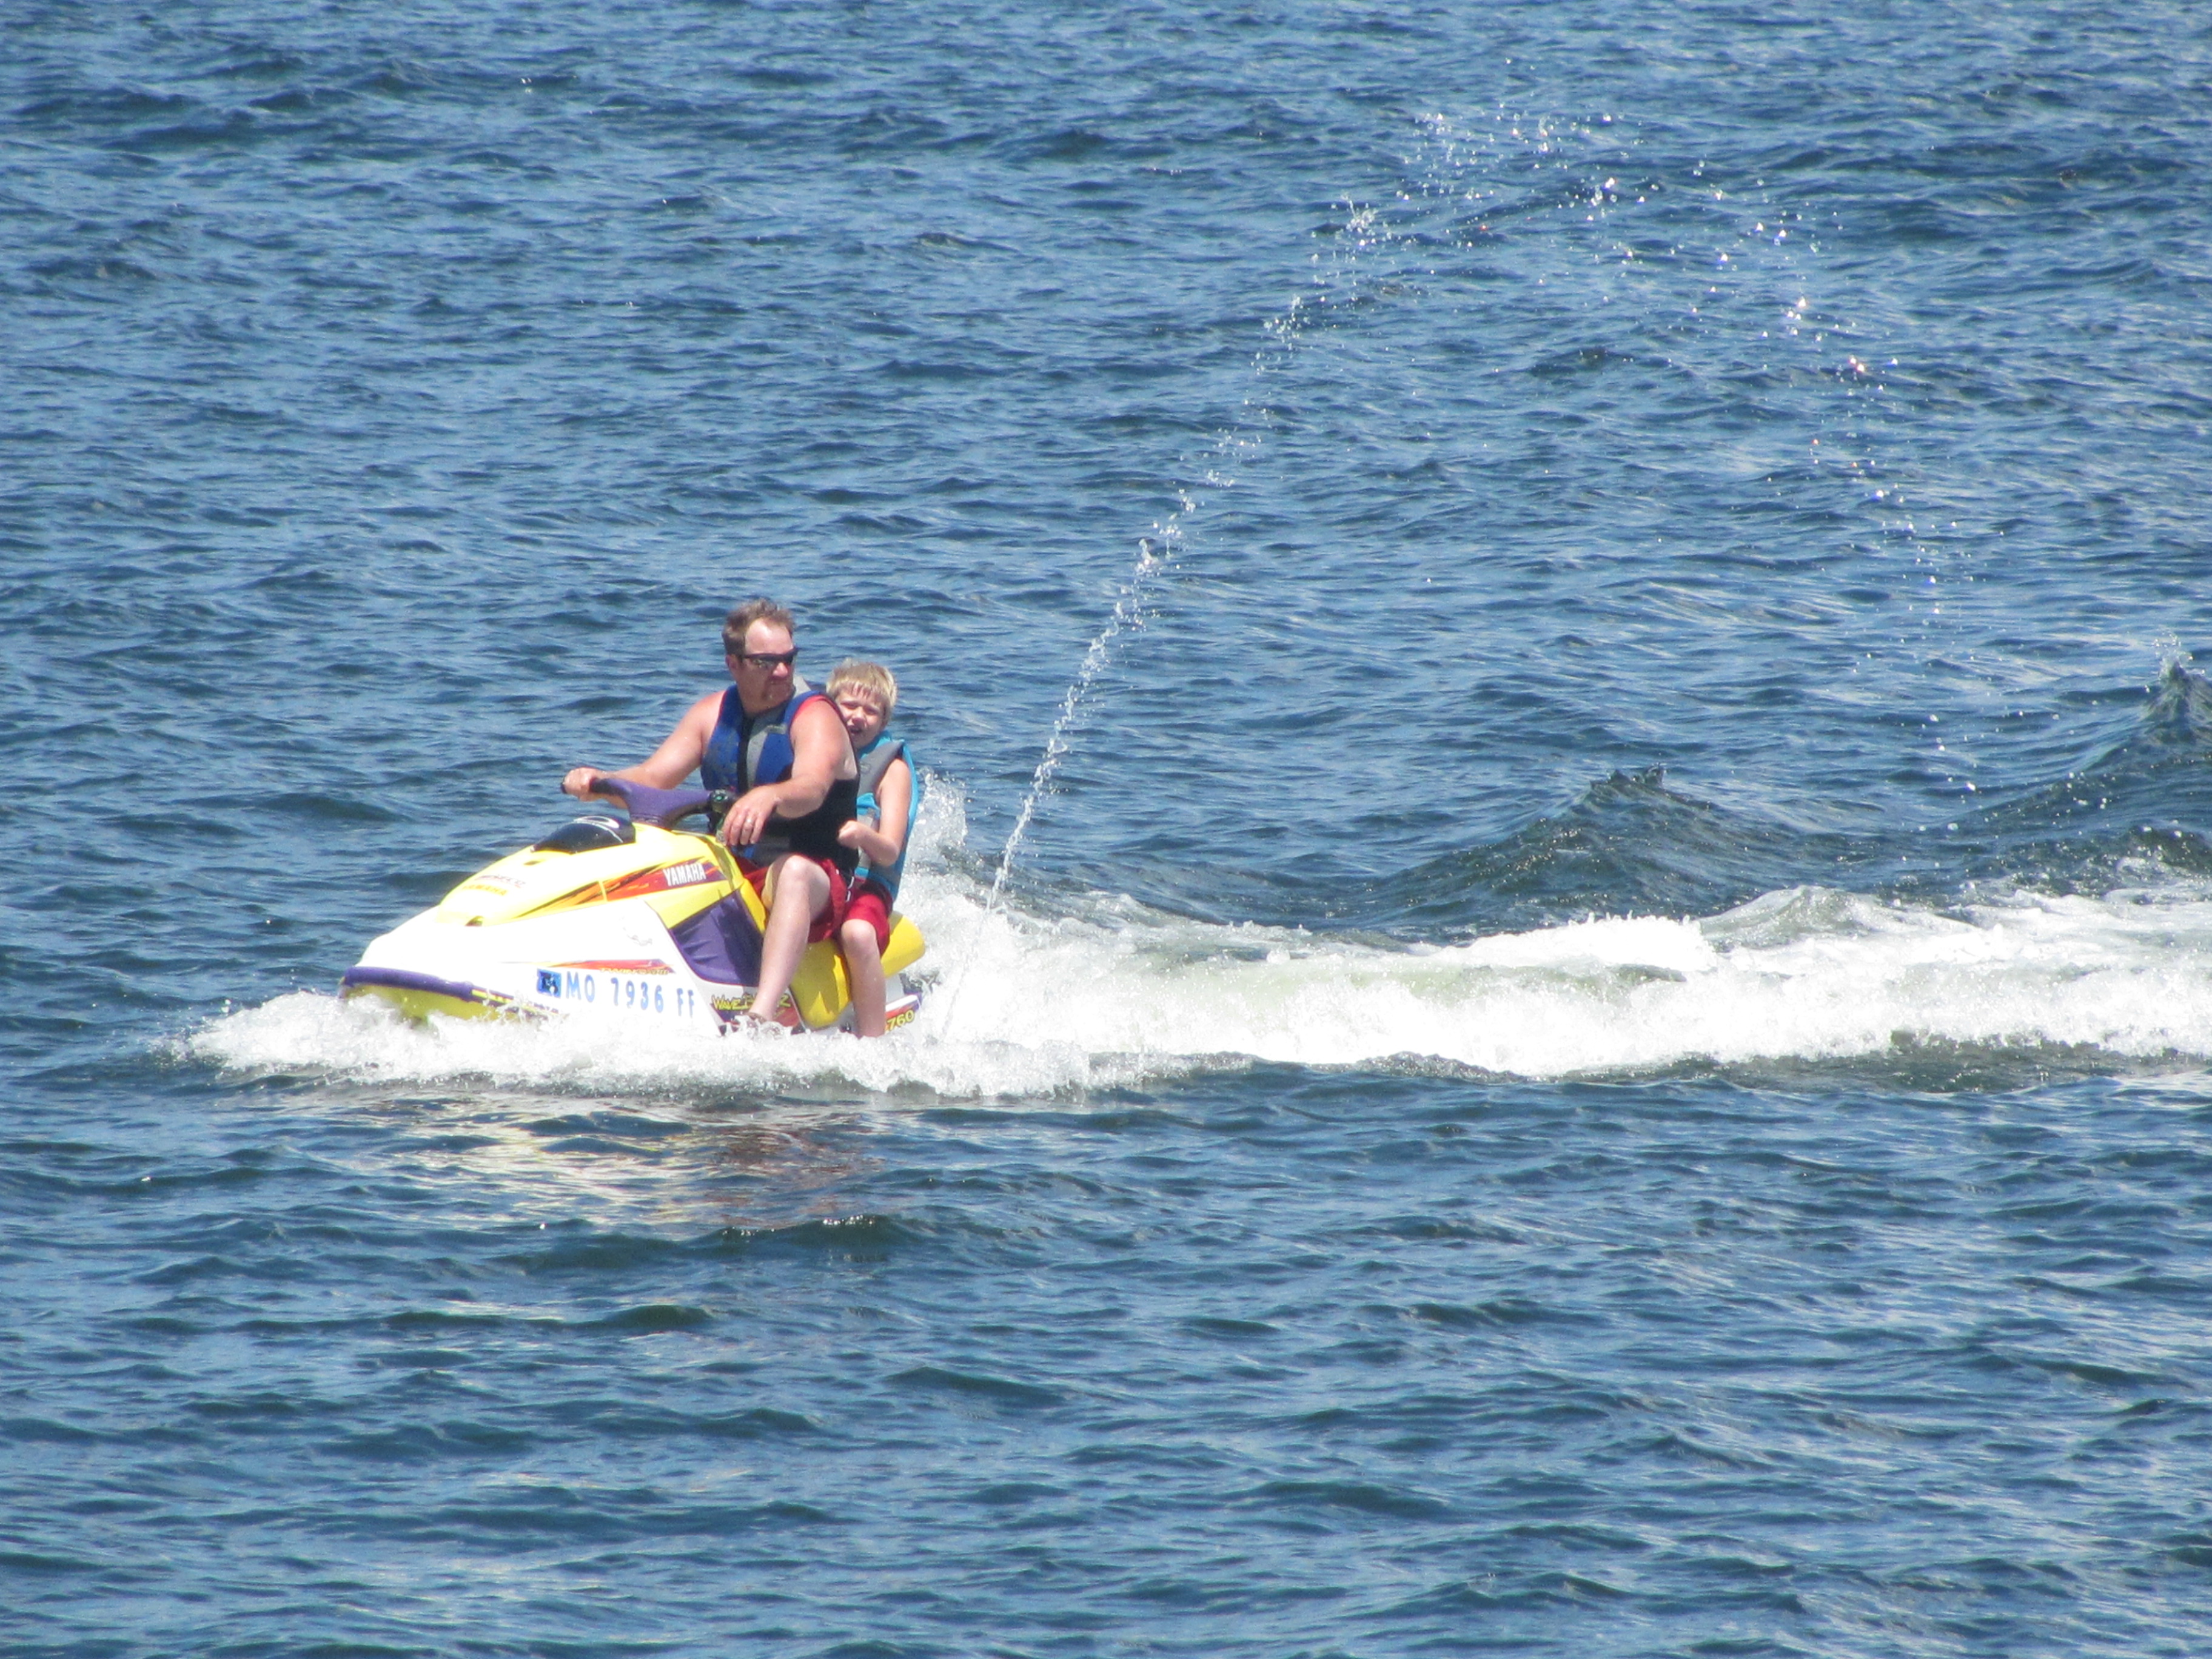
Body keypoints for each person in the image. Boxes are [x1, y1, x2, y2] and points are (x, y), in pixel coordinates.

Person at [563, 598, 858, 1029]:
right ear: (734, 664)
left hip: (817, 874)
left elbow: (812, 788)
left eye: (788, 661)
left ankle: (762, 1017)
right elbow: (653, 777)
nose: (781, 672)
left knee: (793, 873)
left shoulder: (814, 716)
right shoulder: (711, 714)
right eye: (766, 662)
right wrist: (600, 782)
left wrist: (769, 796)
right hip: (736, 864)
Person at [826, 660, 917, 1039]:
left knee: (858, 934)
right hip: (825, 873)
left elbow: (890, 851)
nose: (857, 717)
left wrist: (863, 836)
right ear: (830, 706)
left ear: (883, 722)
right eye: (848, 705)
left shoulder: (892, 770)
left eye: (871, 711)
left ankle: (873, 1040)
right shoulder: (817, 751)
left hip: (869, 884)